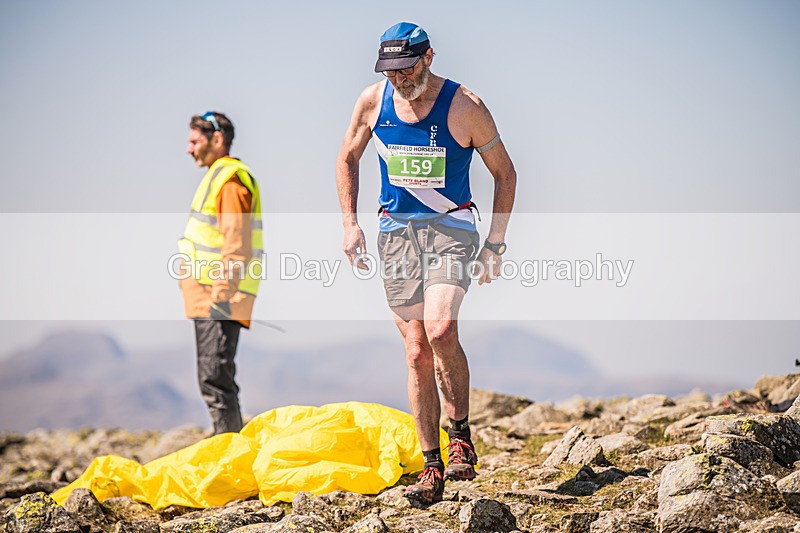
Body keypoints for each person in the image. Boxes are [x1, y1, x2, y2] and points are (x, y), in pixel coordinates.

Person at [336, 23, 517, 502]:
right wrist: (350, 224)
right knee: (415, 348)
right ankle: (430, 463)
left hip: (451, 228)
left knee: (439, 329)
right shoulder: (373, 102)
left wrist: (495, 241)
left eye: (407, 67)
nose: (400, 78)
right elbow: (347, 157)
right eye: (390, 70)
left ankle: (459, 435)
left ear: (429, 57)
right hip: (396, 234)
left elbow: (505, 173)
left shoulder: (465, 106)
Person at [178, 111, 264, 435]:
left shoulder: (229, 179)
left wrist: (222, 294)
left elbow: (236, 243)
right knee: (214, 376)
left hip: (219, 296)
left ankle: (228, 455)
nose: (189, 149)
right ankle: (227, 448)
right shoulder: (218, 176)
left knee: (215, 376)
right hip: (210, 296)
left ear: (217, 140)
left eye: (194, 141)